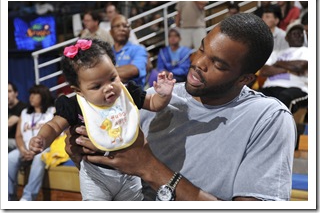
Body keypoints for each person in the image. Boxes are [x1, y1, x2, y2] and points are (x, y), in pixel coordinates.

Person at [65, 13, 297, 201]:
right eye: (202, 48)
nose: (198, 63)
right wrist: (91, 159)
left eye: (217, 64)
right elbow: (120, 177)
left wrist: (151, 168)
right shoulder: (157, 98)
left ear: (244, 79)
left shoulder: (268, 119)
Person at [29, 39, 176, 201]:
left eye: (112, 78)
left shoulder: (127, 95)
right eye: (96, 86)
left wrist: (163, 95)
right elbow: (54, 125)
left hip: (130, 173)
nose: (108, 87)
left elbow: (154, 103)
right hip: (95, 175)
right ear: (79, 91)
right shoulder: (75, 105)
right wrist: (42, 138)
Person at [8, 84, 55, 201]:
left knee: (40, 157)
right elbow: (18, 136)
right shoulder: (25, 112)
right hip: (26, 148)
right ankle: (9, 197)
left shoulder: (52, 111)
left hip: (45, 148)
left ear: (43, 96)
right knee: (9, 158)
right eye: (30, 94)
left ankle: (27, 198)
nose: (31, 97)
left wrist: (37, 150)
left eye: (35, 94)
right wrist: (23, 150)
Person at [258, 23, 308, 113]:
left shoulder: (307, 51)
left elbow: (300, 66)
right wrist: (289, 70)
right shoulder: (275, 53)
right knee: (254, 99)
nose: (298, 35)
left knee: (284, 98)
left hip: (297, 88)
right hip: (270, 87)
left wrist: (277, 64)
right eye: (294, 33)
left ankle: (280, 126)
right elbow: (264, 71)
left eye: (300, 33)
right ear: (286, 37)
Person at [110, 14, 148, 88]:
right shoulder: (106, 53)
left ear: (129, 31)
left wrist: (103, 73)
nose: (122, 29)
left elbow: (133, 70)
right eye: (117, 26)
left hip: (134, 97)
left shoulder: (139, 49)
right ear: (111, 32)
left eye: (125, 26)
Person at [8, 82, 27, 152]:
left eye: (9, 91)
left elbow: (9, 123)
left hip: (20, 142)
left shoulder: (23, 107)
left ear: (16, 93)